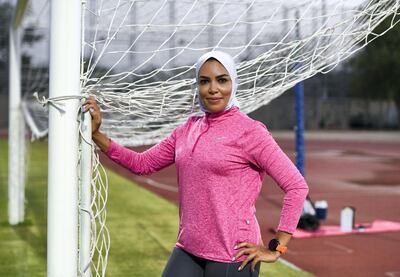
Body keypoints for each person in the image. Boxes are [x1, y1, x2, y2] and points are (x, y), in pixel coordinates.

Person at [84, 51, 309, 277]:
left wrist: (277, 247)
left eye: (222, 80)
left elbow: (296, 186)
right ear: (197, 86)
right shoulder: (187, 129)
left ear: (233, 84)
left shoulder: (251, 132)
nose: (213, 89)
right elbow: (142, 163)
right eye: (204, 81)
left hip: (233, 255)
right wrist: (98, 135)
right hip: (189, 248)